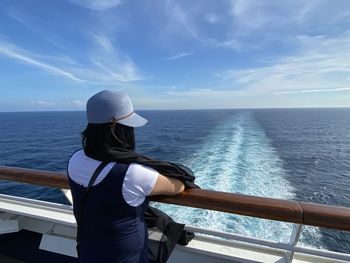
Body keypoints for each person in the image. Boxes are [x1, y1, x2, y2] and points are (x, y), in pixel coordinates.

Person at [67, 90, 185, 263]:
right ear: (115, 126)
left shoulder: (75, 159)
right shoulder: (131, 173)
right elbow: (178, 186)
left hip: (88, 250)